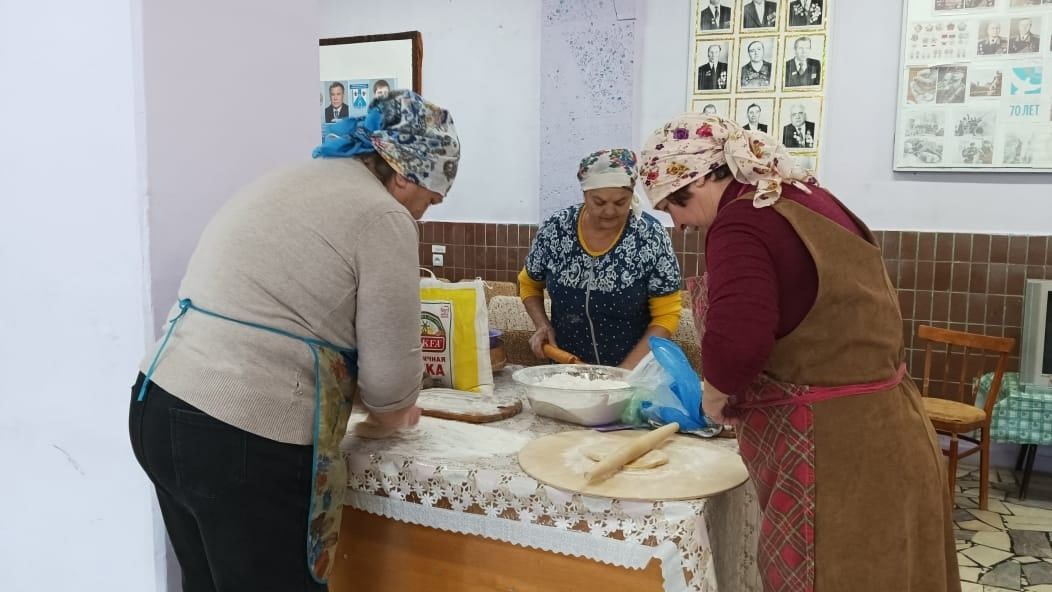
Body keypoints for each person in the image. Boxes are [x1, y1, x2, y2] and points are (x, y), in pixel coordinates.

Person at [129, 90, 460, 591]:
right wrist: (397, 412)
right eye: (429, 199)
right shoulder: (383, 215)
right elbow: (391, 387)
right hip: (241, 434)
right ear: (404, 174)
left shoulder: (297, 177)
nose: (424, 214)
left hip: (158, 402)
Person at [639, 113, 960, 592]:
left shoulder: (741, 222)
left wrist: (713, 397)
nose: (679, 225)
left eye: (673, 207)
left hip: (830, 451)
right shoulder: (808, 197)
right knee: (899, 571)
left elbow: (738, 341)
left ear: (700, 178)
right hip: (895, 427)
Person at [519, 149, 682, 369]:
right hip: (568, 373)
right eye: (599, 201)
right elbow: (529, 283)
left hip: (633, 377)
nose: (609, 211)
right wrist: (542, 325)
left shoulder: (649, 236)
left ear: (632, 195)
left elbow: (667, 315)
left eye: (620, 202)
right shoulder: (557, 229)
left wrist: (622, 377)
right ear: (585, 194)